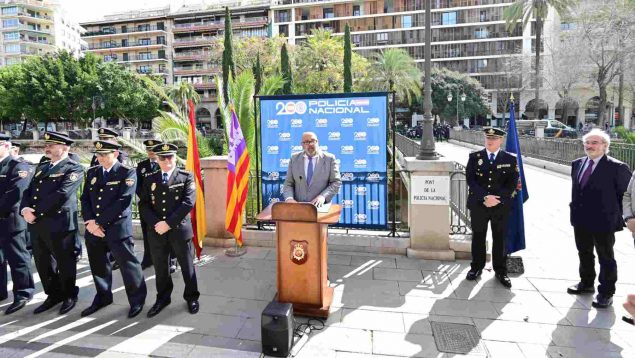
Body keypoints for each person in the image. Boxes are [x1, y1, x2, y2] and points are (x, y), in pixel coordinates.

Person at [80, 140, 146, 318]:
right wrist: (90, 222)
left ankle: (137, 300)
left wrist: (98, 222)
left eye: (104, 154)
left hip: (117, 228)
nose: (100, 158)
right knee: (98, 265)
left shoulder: (127, 172)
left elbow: (123, 201)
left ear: (116, 154)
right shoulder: (93, 172)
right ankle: (103, 297)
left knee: (128, 265)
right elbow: (85, 199)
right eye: (98, 155)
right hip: (94, 229)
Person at [20, 131, 84, 314]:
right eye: (46, 145)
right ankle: (53, 294)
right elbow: (28, 190)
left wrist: (36, 213)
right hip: (38, 224)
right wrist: (24, 209)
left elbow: (62, 194)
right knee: (43, 263)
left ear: (65, 147)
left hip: (59, 224)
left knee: (65, 262)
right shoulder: (43, 166)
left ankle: (69, 294)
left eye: (52, 145)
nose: (47, 148)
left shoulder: (73, 168)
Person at [568, 129, 631, 308]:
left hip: (604, 221)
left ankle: (606, 292)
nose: (589, 146)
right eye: (587, 143)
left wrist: (626, 217)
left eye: (594, 143)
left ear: (605, 146)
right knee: (584, 253)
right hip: (580, 219)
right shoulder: (577, 163)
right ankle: (586, 283)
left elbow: (626, 195)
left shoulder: (617, 167)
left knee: (606, 256)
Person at [138, 143, 200, 317]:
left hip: (179, 230)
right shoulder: (150, 178)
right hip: (157, 231)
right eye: (162, 158)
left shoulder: (186, 176)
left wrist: (168, 223)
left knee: (187, 266)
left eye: (170, 157)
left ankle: (192, 297)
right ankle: (163, 298)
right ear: (156, 159)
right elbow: (143, 204)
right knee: (161, 268)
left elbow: (188, 202)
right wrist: (156, 223)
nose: (167, 161)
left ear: (175, 157)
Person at [465, 127, 519, 288]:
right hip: (479, 205)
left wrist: (498, 199)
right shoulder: (475, 157)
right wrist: (484, 197)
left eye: (494, 139)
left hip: (500, 206)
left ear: (501, 140)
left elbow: (512, 183)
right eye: (488, 138)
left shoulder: (509, 159)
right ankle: (476, 267)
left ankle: (501, 271)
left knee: (500, 239)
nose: (490, 141)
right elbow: (471, 180)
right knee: (478, 237)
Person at [0, 134, 35, 314]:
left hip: (10, 221)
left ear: (6, 145)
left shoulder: (18, 166)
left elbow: (15, 195)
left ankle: (23, 293)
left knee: (18, 259)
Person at [135, 139, 177, 272]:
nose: (151, 152)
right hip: (148, 207)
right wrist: (145, 200)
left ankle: (172, 260)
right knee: (148, 233)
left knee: (169, 234)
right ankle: (148, 258)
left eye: (153, 150)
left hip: (163, 206)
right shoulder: (141, 166)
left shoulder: (164, 163)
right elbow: (138, 186)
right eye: (148, 149)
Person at [283, 132, 341, 206]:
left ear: (317, 142)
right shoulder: (294, 159)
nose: (310, 144)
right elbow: (288, 183)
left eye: (312, 141)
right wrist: (289, 199)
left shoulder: (329, 159)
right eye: (306, 142)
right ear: (302, 145)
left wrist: (323, 196)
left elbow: (336, 182)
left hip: (321, 206)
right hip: (299, 207)